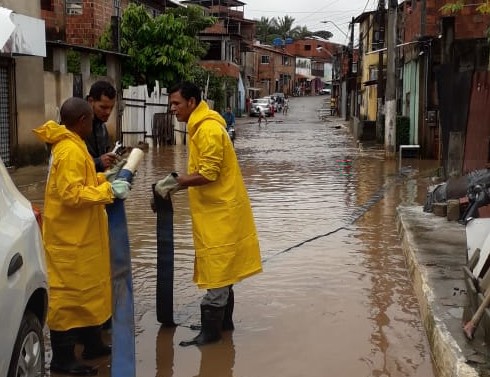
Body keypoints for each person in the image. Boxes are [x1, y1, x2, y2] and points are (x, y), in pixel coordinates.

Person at [158, 81, 262, 347]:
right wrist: (178, 184)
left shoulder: (207, 130)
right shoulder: (201, 127)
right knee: (223, 271)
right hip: (215, 211)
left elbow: (208, 173)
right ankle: (224, 325)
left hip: (221, 214)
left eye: (177, 103)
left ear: (192, 102)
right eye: (171, 104)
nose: (173, 109)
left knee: (218, 271)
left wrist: (176, 183)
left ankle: (211, 333)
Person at [33, 97, 131, 376]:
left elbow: (81, 182)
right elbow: (71, 193)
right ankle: (63, 358)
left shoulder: (73, 147)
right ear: (82, 121)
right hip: (69, 240)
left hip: (82, 237)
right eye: (91, 119)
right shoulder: (69, 151)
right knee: (68, 297)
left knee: (91, 291)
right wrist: (108, 192)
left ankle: (92, 344)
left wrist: (105, 178)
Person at [85, 80, 118, 172]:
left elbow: (106, 153)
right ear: (90, 101)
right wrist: (98, 162)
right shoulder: (76, 124)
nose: (108, 112)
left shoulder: (102, 126)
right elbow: (72, 163)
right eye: (103, 107)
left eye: (111, 107)